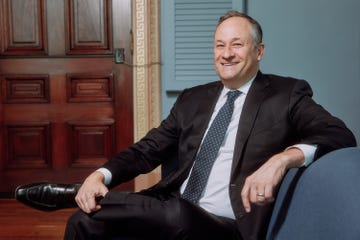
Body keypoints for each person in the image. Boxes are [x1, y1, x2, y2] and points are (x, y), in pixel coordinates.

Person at [15, 10, 356, 240]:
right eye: (219, 45)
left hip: (228, 225)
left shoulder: (286, 94)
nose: (226, 53)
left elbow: (340, 134)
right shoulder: (194, 98)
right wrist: (100, 176)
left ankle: (71, 194)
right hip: (170, 207)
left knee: (176, 213)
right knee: (82, 221)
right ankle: (84, 193)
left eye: (237, 44)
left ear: (259, 51)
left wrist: (283, 158)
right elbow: (148, 149)